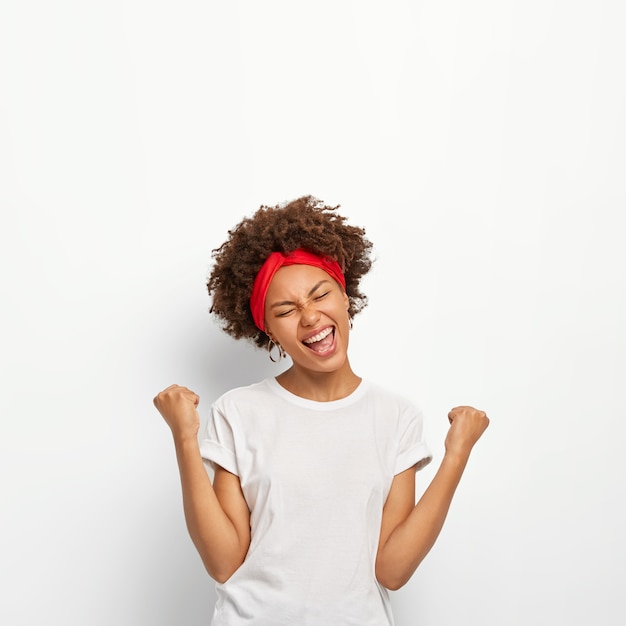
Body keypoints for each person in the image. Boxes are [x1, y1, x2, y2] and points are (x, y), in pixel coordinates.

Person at [153, 196, 489, 626]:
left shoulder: (396, 417)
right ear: (269, 331)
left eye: (320, 295)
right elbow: (223, 563)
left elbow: (392, 570)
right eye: (286, 310)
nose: (310, 317)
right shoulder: (238, 412)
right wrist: (184, 438)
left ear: (345, 297)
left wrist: (456, 454)